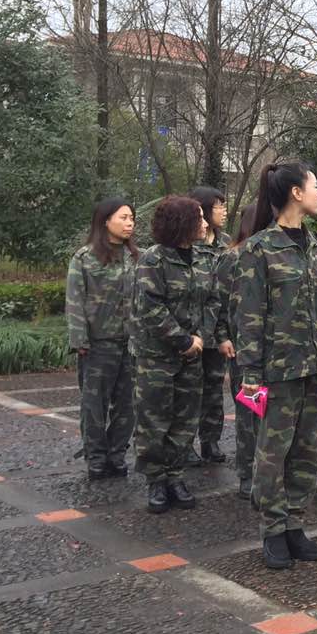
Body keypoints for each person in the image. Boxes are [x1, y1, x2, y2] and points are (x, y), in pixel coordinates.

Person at [237, 162, 317, 570]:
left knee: (308, 450)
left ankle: (295, 523)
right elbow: (249, 314)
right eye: (315, 186)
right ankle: (273, 528)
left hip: (315, 367)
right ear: (296, 192)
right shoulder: (260, 249)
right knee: (272, 453)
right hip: (277, 370)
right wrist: (250, 373)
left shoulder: (316, 246)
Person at [131, 196, 217, 514]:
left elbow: (213, 300)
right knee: (154, 420)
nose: (205, 223)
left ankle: (176, 476)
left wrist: (201, 337)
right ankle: (156, 479)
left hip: (192, 354)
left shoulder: (204, 259)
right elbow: (150, 307)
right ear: (182, 223)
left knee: (185, 418)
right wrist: (182, 339)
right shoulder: (152, 260)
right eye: (199, 217)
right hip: (157, 356)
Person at [67, 198, 138, 480]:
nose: (130, 223)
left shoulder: (138, 257)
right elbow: (75, 300)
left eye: (131, 218)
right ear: (105, 221)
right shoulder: (85, 258)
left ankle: (117, 454)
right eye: (123, 218)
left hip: (131, 344)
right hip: (98, 345)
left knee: (127, 405)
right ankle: (95, 457)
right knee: (93, 405)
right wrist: (80, 341)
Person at [215, 205, 259, 499]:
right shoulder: (233, 257)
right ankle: (247, 473)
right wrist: (222, 336)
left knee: (271, 416)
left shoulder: (271, 254)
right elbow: (218, 301)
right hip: (244, 348)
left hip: (274, 350)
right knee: (249, 414)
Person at [188, 186, 231, 465]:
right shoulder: (189, 244)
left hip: (219, 330)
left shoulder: (226, 243)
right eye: (219, 206)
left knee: (214, 388)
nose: (223, 212)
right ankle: (184, 445)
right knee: (190, 390)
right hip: (192, 333)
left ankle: (210, 441)